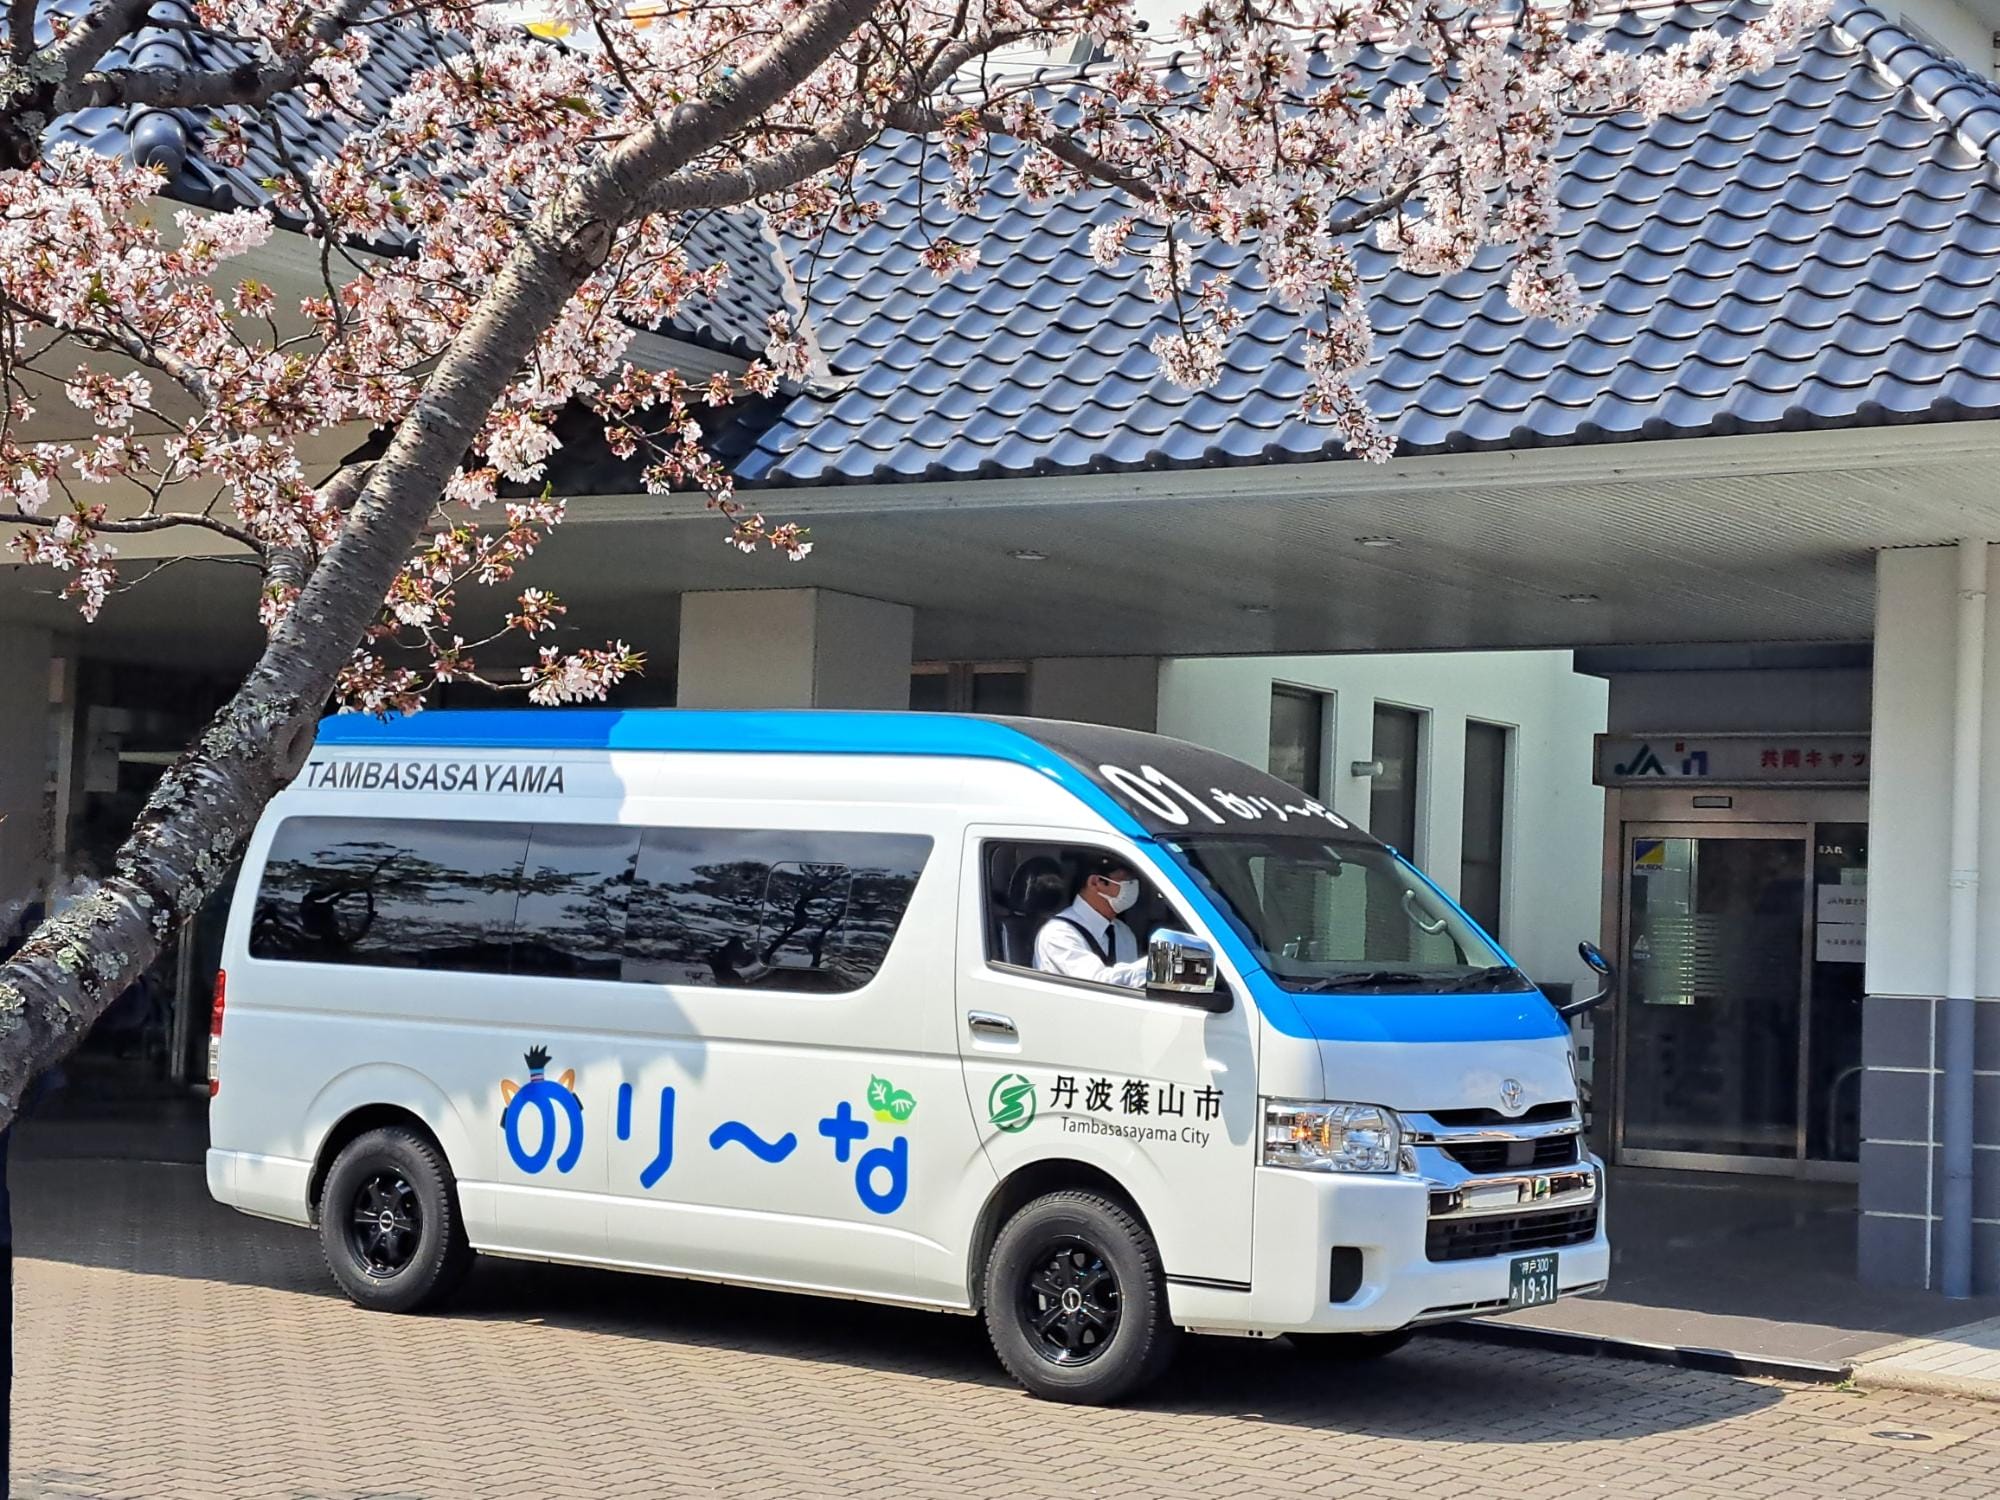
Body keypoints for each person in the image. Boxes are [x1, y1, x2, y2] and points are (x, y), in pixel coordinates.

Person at [1033, 855, 1152, 987]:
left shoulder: (1123, 931)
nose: (1133, 888)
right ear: (1095, 882)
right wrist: (1157, 966)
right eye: (1126, 881)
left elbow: (1132, 991)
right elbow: (1098, 984)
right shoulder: (1059, 933)